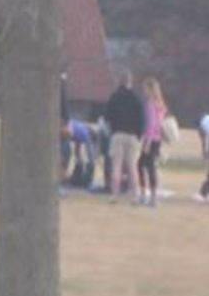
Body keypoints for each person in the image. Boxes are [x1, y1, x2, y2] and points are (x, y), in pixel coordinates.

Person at [104, 70, 145, 203]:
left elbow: (107, 117)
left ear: (120, 82)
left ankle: (114, 195)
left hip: (117, 134)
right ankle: (135, 196)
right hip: (132, 136)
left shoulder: (114, 97)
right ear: (130, 82)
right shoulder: (136, 98)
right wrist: (139, 135)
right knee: (133, 167)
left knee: (116, 166)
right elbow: (141, 119)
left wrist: (112, 129)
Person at [137, 77, 169, 207]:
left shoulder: (150, 104)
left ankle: (147, 194)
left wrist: (147, 142)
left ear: (150, 89)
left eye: (145, 88)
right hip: (158, 139)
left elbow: (151, 124)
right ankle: (152, 195)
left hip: (150, 139)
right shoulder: (160, 104)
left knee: (143, 166)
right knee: (150, 166)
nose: (144, 91)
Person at [62, 119, 98, 189]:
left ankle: (68, 178)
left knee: (67, 158)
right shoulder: (86, 135)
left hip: (66, 130)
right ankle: (65, 178)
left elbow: (77, 146)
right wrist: (92, 161)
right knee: (66, 158)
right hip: (67, 132)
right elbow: (90, 153)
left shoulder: (80, 129)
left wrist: (78, 159)